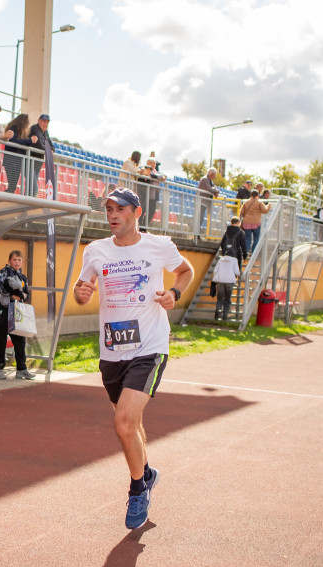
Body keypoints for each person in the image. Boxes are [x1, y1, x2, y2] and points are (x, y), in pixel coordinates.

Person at [72, 187, 195, 529]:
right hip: (112, 351)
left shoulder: (159, 245)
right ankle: (148, 471)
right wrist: (80, 293)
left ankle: (138, 488)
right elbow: (82, 292)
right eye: (108, 209)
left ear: (137, 212)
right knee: (132, 426)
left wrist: (174, 293)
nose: (112, 214)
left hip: (149, 347)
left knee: (123, 422)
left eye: (120, 209)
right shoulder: (96, 250)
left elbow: (185, 272)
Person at [0, 250, 34, 380]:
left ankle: (21, 369)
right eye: (14, 259)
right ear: (9, 261)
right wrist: (13, 295)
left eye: (19, 260)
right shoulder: (2, 273)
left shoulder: (22, 277)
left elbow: (26, 294)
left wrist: (22, 295)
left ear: (22, 262)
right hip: (2, 308)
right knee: (1, 337)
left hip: (16, 310)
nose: (17, 262)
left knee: (19, 338)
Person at [1, 114, 36, 194]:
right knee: (12, 185)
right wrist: (30, 141)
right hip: (11, 161)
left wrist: (31, 141)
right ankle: (4, 199)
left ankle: (6, 198)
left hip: (17, 162)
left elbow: (23, 143)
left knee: (12, 185)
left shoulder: (21, 133)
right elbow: (14, 141)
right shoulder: (12, 129)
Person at [27, 114, 53, 197]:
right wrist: (48, 149)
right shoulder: (35, 128)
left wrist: (51, 149)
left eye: (47, 122)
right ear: (39, 121)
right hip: (31, 160)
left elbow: (51, 144)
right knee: (34, 187)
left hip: (38, 161)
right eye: (43, 121)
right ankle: (28, 202)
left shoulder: (46, 132)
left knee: (32, 186)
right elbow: (38, 145)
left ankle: (27, 202)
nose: (45, 124)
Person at [212, 247, 240, 321]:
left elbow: (215, 271)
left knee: (220, 298)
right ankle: (225, 315)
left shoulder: (221, 259)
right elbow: (237, 272)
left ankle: (217, 313)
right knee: (227, 300)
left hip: (220, 281)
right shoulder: (234, 260)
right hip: (229, 282)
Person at [238, 189, 269, 255]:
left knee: (247, 238)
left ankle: (246, 252)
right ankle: (254, 252)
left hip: (247, 223)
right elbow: (265, 211)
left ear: (250, 195)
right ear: (258, 195)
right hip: (256, 223)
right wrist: (269, 206)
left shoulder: (246, 202)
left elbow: (242, 212)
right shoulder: (259, 202)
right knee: (256, 239)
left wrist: (246, 217)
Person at [197, 167, 218, 231]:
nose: (215, 176)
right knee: (200, 218)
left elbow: (214, 188)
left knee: (201, 218)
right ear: (211, 174)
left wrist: (215, 190)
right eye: (214, 174)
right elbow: (209, 189)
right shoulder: (205, 179)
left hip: (204, 202)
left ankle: (197, 233)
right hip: (201, 202)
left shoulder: (210, 181)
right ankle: (196, 233)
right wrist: (216, 191)